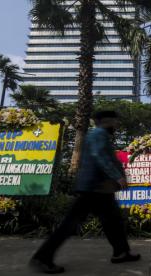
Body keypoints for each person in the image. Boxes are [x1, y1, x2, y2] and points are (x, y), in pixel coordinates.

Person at [29, 110, 139, 274]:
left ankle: (121, 252)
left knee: (113, 221)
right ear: (106, 121)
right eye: (115, 121)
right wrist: (118, 176)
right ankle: (42, 257)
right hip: (93, 188)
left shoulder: (100, 135)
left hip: (100, 189)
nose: (117, 124)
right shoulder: (99, 134)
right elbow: (100, 155)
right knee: (70, 224)